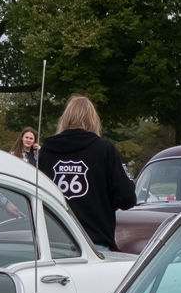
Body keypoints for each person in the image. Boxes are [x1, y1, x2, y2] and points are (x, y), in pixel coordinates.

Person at [38, 96, 136, 251]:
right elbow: (127, 198)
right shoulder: (104, 150)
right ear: (93, 120)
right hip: (93, 242)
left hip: (53, 244)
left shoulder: (46, 151)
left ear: (65, 118)